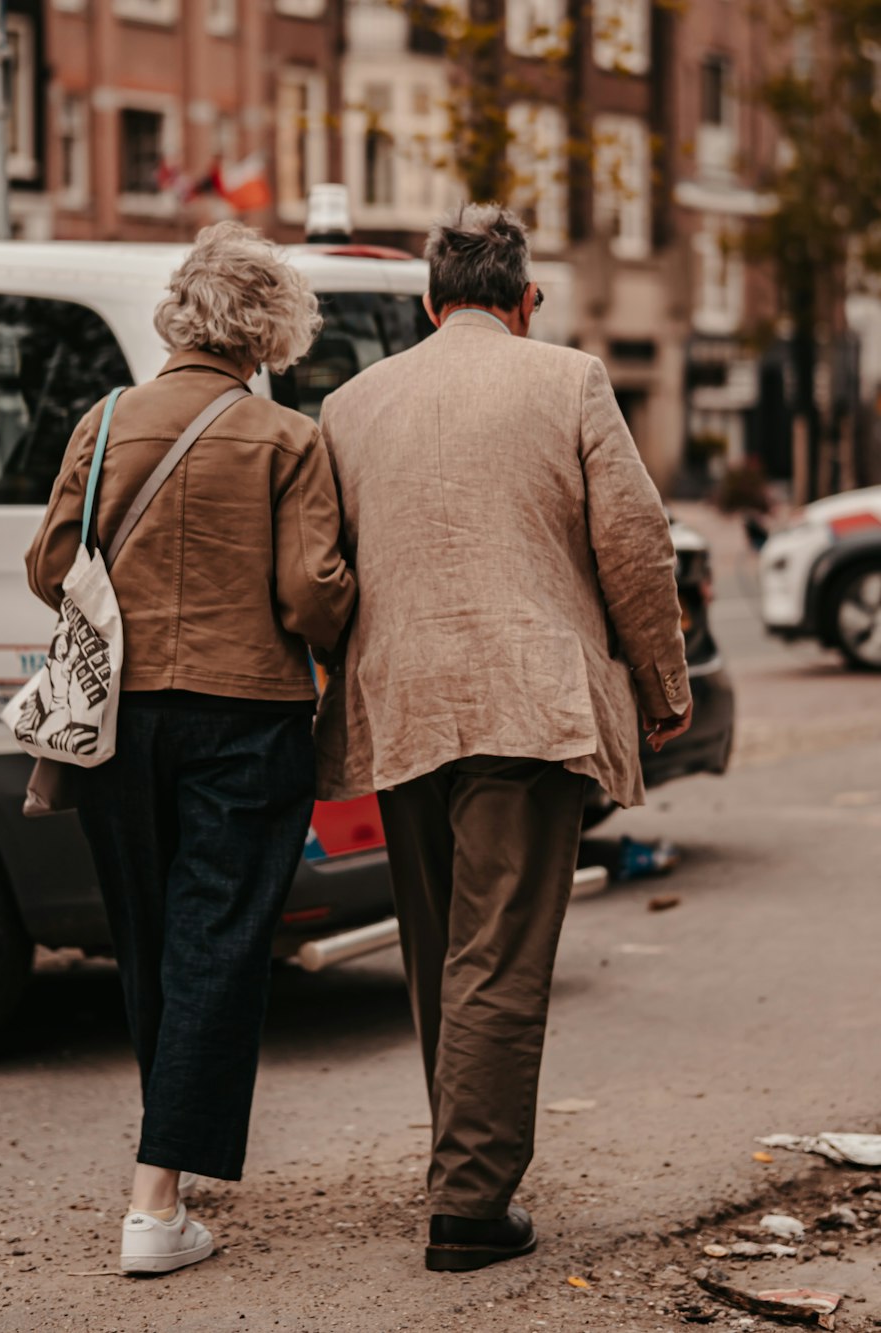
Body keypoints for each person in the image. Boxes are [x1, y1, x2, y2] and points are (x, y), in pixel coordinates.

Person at [314, 203, 691, 1273]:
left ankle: (457, 1163)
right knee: (502, 955)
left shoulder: (350, 403)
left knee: (440, 952)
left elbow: (321, 567)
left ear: (427, 303)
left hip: (402, 708)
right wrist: (661, 681)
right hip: (526, 707)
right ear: (526, 300)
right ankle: (469, 1206)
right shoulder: (565, 379)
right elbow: (632, 542)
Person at [25, 222, 356, 1275]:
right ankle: (156, 1200)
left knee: (152, 935)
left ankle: (160, 1182)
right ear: (267, 331)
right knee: (216, 941)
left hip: (115, 722)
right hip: (244, 716)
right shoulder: (285, 440)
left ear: (181, 312)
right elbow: (312, 598)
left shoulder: (105, 417)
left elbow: (47, 565)